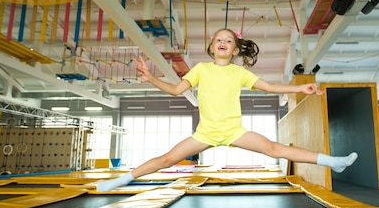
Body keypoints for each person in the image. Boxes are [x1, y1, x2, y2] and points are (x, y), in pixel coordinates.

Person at [96, 28, 357, 191]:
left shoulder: (239, 72)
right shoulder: (201, 69)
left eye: (228, 40)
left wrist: (300, 89)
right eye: (219, 38)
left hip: (234, 131)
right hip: (206, 133)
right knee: (166, 159)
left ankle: (333, 162)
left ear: (234, 50)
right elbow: (176, 90)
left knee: (275, 149)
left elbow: (270, 87)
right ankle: (120, 180)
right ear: (212, 47)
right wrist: (151, 79)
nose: (223, 41)